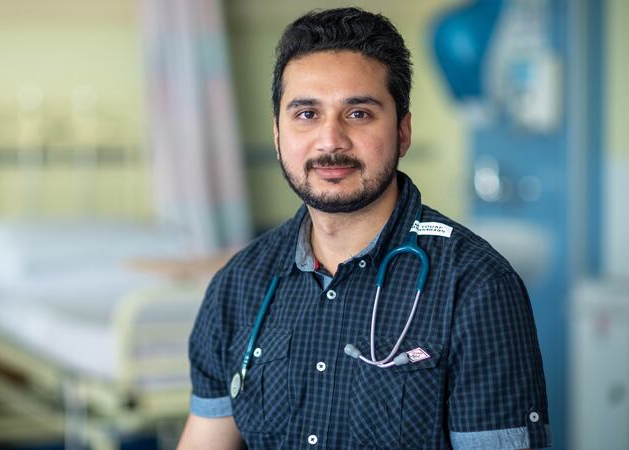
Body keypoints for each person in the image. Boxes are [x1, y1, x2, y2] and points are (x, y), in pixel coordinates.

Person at [178, 7, 551, 449]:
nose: (331, 140)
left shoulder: (476, 287)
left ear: (403, 132)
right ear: (278, 135)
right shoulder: (238, 287)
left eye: (358, 113)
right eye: (306, 114)